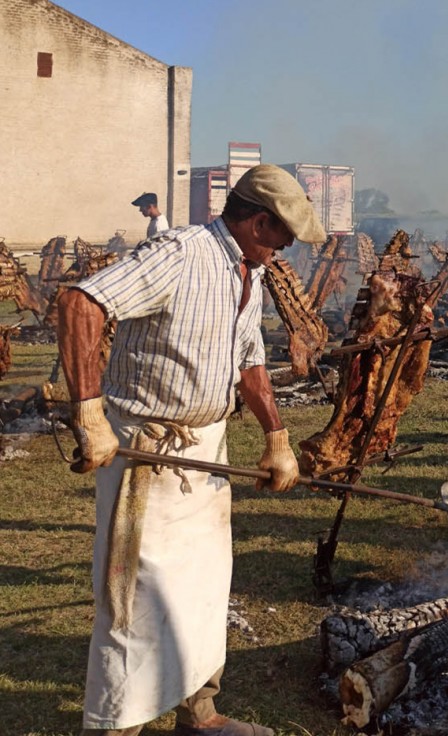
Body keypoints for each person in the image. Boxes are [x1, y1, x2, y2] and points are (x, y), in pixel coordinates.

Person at [58, 164, 327, 736]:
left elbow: (249, 359)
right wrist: (88, 413)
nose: (285, 252)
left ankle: (199, 714)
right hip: (150, 454)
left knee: (204, 587)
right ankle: (115, 727)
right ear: (258, 222)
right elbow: (80, 303)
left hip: (207, 453)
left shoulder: (247, 272)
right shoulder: (180, 254)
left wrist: (276, 437)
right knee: (135, 598)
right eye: (283, 238)